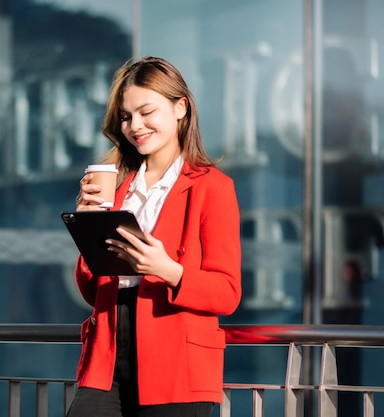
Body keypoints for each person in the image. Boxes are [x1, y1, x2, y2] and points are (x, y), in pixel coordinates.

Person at [66, 56, 242, 417]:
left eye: (147, 112)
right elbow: (90, 290)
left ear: (180, 108)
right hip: (108, 353)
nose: (135, 126)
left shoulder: (212, 188)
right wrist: (87, 230)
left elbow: (228, 293)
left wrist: (167, 269)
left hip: (177, 358)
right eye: (127, 117)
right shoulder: (115, 187)